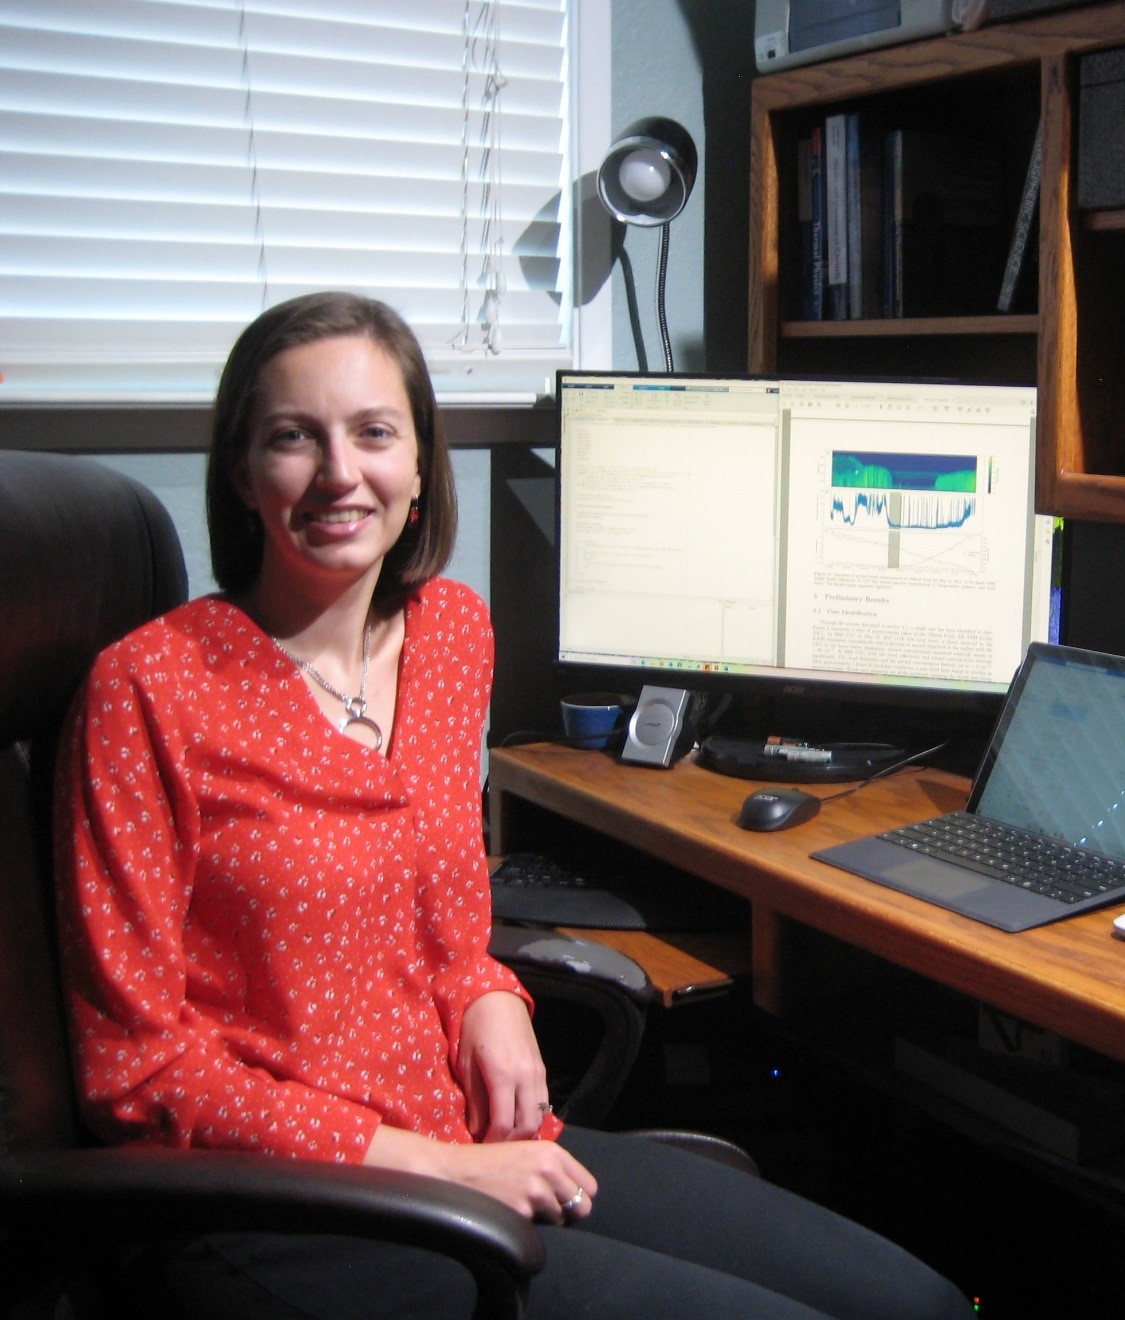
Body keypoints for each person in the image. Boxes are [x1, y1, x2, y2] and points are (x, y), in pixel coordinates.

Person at [55, 291, 971, 1320]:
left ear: (417, 466)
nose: (339, 473)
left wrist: (490, 997)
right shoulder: (151, 689)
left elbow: (446, 932)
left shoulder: (449, 634)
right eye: (292, 439)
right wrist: (431, 1169)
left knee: (914, 1301)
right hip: (280, 1196)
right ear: (242, 474)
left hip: (470, 1144)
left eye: (372, 433)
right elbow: (133, 1073)